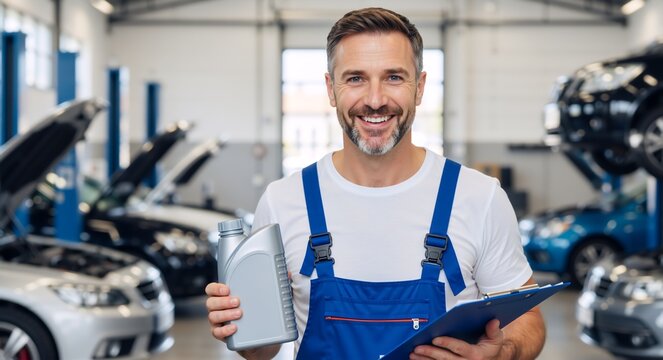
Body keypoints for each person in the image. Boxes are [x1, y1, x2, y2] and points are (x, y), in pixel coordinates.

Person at [206, 7, 545, 360]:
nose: (375, 99)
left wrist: (502, 353)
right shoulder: (283, 201)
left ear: (420, 87)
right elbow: (263, 350)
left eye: (394, 77)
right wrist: (240, 326)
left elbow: (528, 320)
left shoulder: (479, 197)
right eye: (355, 78)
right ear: (330, 88)